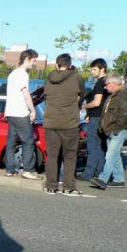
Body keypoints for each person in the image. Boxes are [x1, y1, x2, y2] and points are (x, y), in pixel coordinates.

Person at [42, 53, 85, 195]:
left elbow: (46, 96)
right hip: (69, 123)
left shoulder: (48, 78)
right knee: (70, 156)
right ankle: (68, 187)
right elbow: (82, 95)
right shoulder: (76, 77)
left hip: (50, 122)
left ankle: (51, 186)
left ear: (56, 64)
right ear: (70, 65)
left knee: (52, 156)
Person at [90, 73, 127, 190]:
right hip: (111, 129)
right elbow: (107, 114)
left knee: (110, 154)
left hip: (119, 130)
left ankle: (103, 179)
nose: (105, 87)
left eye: (106, 85)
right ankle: (119, 179)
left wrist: (116, 129)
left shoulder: (124, 95)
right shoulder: (113, 95)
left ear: (114, 83)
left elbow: (126, 114)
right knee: (114, 155)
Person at [4, 48, 41, 179]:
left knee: (11, 141)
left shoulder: (12, 74)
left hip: (10, 112)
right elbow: (26, 95)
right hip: (20, 112)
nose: (34, 63)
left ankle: (9, 169)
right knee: (28, 141)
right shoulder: (23, 74)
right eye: (33, 60)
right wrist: (32, 110)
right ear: (27, 59)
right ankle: (28, 170)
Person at [78, 58, 108, 180]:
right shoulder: (107, 82)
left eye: (94, 69)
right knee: (101, 146)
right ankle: (99, 172)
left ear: (102, 69)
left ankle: (88, 173)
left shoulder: (100, 83)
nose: (92, 71)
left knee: (92, 146)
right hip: (103, 118)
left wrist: (83, 106)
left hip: (96, 117)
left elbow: (96, 102)